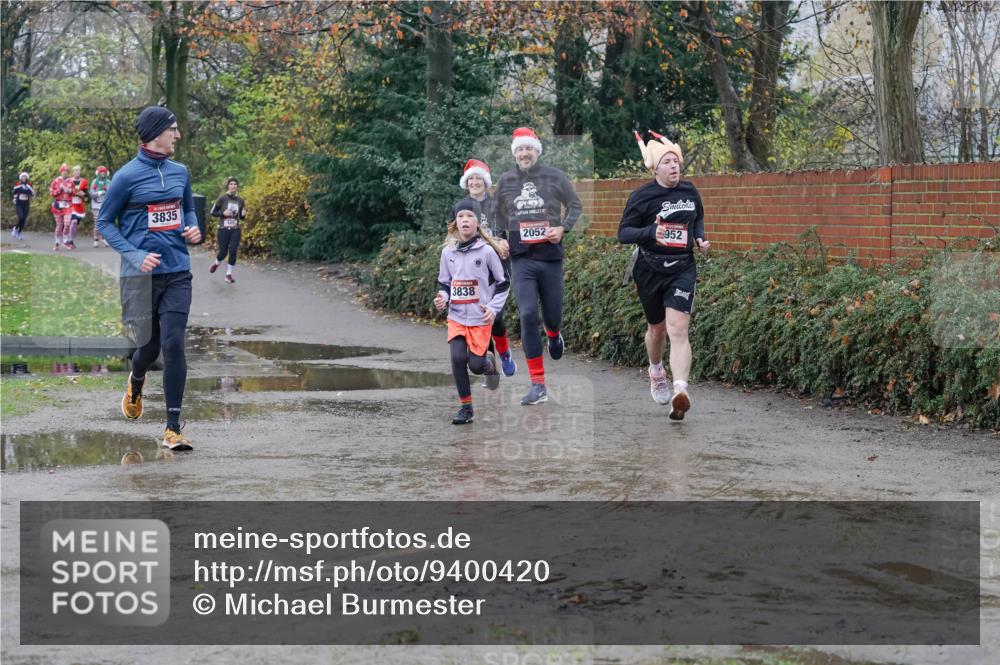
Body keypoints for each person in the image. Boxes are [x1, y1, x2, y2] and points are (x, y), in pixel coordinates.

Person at [96, 106, 202, 451]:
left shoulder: (180, 172)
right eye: (173, 129)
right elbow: (104, 223)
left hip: (177, 271)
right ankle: (136, 379)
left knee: (173, 344)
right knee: (149, 348)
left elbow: (188, 209)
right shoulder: (126, 177)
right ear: (156, 133)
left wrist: (193, 227)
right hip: (138, 278)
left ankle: (172, 428)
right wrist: (135, 255)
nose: (178, 135)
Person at [617, 131, 710, 420]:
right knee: (657, 330)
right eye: (667, 162)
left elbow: (698, 218)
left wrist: (700, 238)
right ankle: (656, 371)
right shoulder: (641, 196)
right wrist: (650, 232)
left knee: (678, 329)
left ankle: (680, 392)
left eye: (676, 161)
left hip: (682, 267)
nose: (673, 166)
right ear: (655, 168)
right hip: (649, 268)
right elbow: (624, 233)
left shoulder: (690, 191)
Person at [493, 127, 583, 406]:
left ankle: (554, 335)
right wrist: (499, 239)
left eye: (529, 149)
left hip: (550, 258)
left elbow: (575, 205)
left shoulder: (555, 176)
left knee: (552, 317)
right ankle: (538, 384)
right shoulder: (506, 181)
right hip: (522, 260)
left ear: (537, 151)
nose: (524, 153)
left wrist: (563, 228)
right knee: (528, 314)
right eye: (520, 149)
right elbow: (496, 216)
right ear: (515, 153)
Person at [434, 198, 508, 425]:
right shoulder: (448, 253)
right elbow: (445, 283)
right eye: (461, 216)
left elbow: (503, 283)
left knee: (475, 366)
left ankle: (489, 365)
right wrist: (443, 298)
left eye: (470, 216)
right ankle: (466, 408)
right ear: (455, 222)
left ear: (477, 222)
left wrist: (493, 309)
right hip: (456, 316)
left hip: (480, 318)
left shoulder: (487, 252)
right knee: (457, 358)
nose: (465, 220)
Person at [460, 158, 516, 378]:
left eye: (478, 178)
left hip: (497, 269)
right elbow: (454, 236)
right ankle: (489, 366)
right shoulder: (461, 208)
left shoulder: (497, 206)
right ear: (467, 183)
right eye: (471, 179)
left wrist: (507, 243)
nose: (474, 182)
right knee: (481, 318)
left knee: (496, 318)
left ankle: (504, 352)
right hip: (472, 272)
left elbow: (510, 232)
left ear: (485, 182)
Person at [208, 176, 246, 283]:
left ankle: (228, 275)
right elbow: (212, 212)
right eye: (231, 184)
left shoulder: (241, 200)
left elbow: (241, 217)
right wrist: (222, 214)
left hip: (235, 229)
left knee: (233, 251)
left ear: (237, 186)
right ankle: (216, 263)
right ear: (228, 186)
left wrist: (243, 215)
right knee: (223, 252)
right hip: (223, 229)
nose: (233, 186)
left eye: (235, 184)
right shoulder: (222, 198)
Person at [49, 164, 74, 251]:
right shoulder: (55, 181)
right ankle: (56, 243)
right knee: (59, 225)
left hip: (68, 205)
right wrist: (60, 189)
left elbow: (74, 192)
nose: (65, 172)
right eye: (63, 171)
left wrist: (70, 191)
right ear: (61, 171)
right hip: (58, 206)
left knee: (67, 224)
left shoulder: (70, 181)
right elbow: (51, 193)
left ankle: (65, 241)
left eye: (66, 171)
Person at [67, 165, 88, 248]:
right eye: (75, 170)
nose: (77, 172)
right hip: (70, 205)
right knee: (73, 221)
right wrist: (74, 193)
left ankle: (71, 240)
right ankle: (68, 240)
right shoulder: (69, 181)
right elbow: (66, 192)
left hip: (79, 206)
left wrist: (84, 194)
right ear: (73, 172)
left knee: (75, 224)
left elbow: (87, 194)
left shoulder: (84, 181)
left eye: (78, 170)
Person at [90, 166, 111, 247]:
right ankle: (96, 239)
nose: (103, 173)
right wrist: (98, 193)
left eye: (104, 172)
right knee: (97, 223)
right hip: (96, 205)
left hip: (105, 205)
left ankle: (104, 238)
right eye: (101, 172)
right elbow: (91, 193)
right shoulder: (94, 182)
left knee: (104, 222)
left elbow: (111, 192)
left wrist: (105, 192)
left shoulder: (108, 182)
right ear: (98, 173)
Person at [11, 172, 34, 240]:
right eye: (23, 177)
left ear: (27, 178)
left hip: (26, 204)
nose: (24, 178)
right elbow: (14, 192)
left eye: (25, 177)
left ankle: (19, 232)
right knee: (21, 218)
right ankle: (15, 228)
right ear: (20, 178)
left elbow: (32, 193)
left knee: (24, 219)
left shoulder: (29, 185)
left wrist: (30, 195)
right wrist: (14, 198)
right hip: (19, 204)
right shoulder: (18, 184)